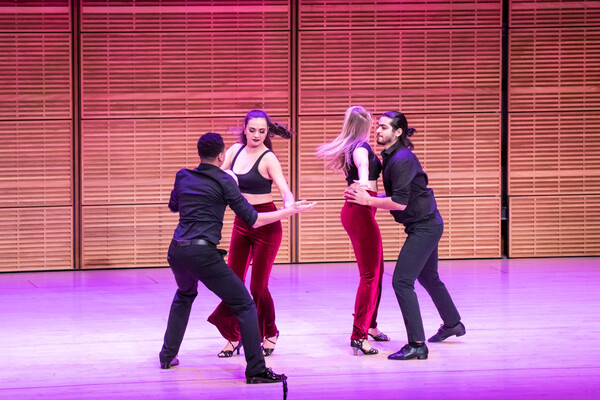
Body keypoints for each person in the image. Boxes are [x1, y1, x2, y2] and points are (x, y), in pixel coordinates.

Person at [159, 132, 315, 386]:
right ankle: (256, 370)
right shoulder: (225, 180)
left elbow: (174, 206)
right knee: (244, 304)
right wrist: (289, 211)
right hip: (203, 253)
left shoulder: (183, 175)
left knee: (184, 296)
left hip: (177, 250)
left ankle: (167, 356)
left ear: (200, 154)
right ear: (222, 156)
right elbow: (253, 219)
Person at [344, 111, 465, 360]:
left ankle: (417, 344)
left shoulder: (402, 159)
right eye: (377, 126)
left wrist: (368, 199)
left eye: (384, 127)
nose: (378, 130)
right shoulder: (391, 156)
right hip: (424, 223)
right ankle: (453, 323)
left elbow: (399, 203)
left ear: (397, 133)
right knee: (429, 277)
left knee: (401, 281)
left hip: (425, 226)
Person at [208, 110, 294, 358]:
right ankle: (233, 337)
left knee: (258, 287)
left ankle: (269, 332)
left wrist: (290, 204)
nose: (256, 135)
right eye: (252, 129)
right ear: (245, 129)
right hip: (242, 221)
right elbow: (216, 175)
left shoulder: (269, 158)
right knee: (233, 283)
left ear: (267, 133)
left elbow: (284, 189)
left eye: (262, 131)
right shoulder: (234, 151)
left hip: (266, 224)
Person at [316, 106, 389, 356]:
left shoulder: (354, 146)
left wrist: (375, 195)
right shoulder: (360, 148)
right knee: (370, 276)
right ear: (364, 125)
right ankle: (359, 335)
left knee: (377, 273)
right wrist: (367, 189)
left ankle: (370, 325)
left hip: (359, 209)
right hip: (359, 211)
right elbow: (365, 175)